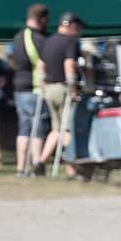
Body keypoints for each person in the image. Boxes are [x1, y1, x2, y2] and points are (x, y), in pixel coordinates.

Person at [37, 12, 85, 172]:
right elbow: (69, 65)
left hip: (49, 88)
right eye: (77, 28)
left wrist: (42, 85)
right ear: (71, 26)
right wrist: (73, 89)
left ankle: (41, 161)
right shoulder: (70, 41)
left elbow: (40, 65)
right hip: (63, 88)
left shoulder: (48, 41)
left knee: (57, 129)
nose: (78, 32)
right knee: (68, 129)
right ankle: (74, 166)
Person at [9, 4, 49, 176]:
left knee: (23, 129)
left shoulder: (17, 37)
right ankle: (36, 164)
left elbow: (10, 60)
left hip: (18, 87)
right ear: (42, 19)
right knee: (37, 130)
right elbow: (41, 64)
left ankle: (20, 168)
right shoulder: (39, 39)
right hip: (34, 89)